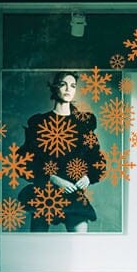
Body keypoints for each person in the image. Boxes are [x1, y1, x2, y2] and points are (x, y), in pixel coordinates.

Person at [24, 72, 106, 234]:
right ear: (55, 88)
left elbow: (96, 159)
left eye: (73, 86)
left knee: (80, 245)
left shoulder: (84, 124)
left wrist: (88, 177)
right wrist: (52, 178)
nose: (69, 89)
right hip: (45, 194)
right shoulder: (40, 123)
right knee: (37, 246)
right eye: (63, 84)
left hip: (74, 193)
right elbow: (27, 160)